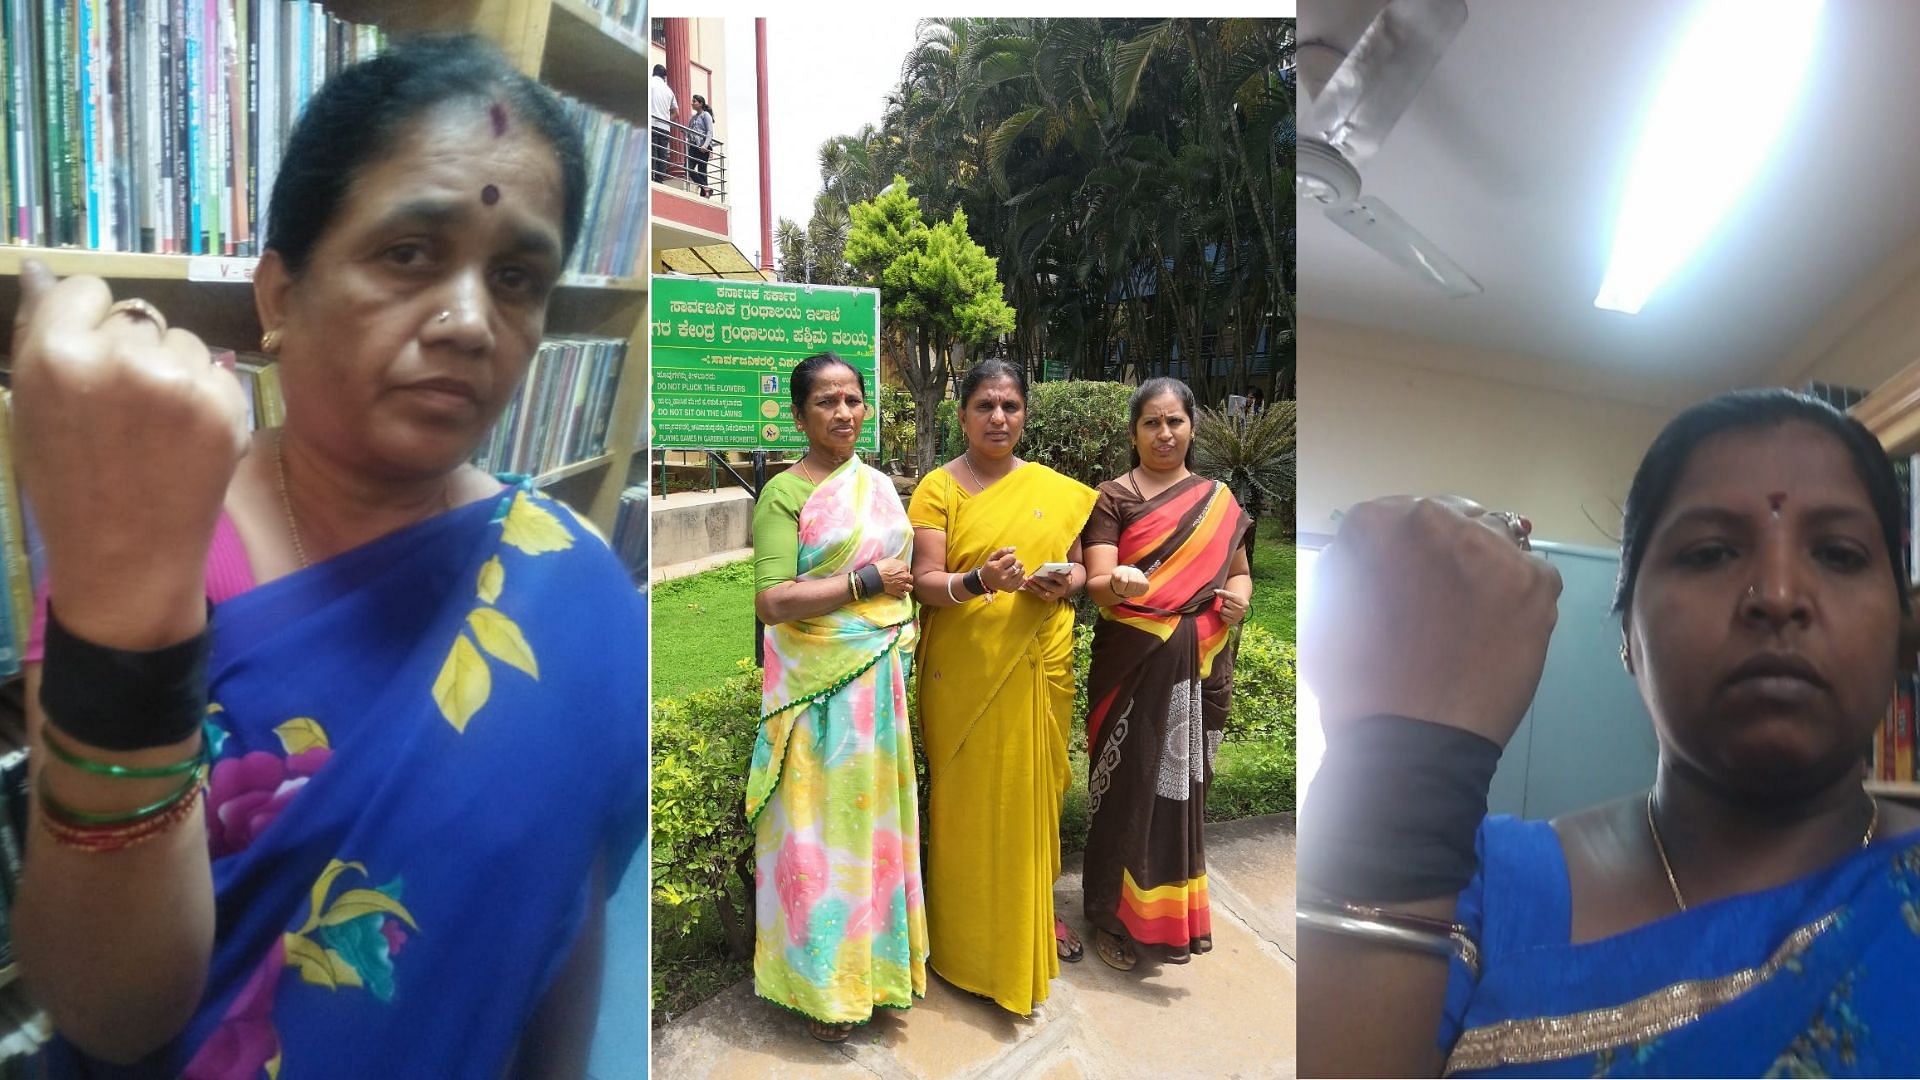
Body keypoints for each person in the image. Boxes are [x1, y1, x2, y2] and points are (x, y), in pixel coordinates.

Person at [12, 37, 646, 1077]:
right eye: (409, 254)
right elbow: (110, 1008)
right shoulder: (144, 546)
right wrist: (126, 630)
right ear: (278, 295)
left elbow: (551, 925)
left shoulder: (578, 591)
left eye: (519, 277)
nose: (469, 322)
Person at [1297, 389, 1920, 1077]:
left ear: (1901, 635)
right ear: (1627, 632)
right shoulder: (1466, 886)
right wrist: (1408, 769)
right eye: (1711, 553)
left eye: (1837, 554)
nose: (1777, 594)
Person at [907, 358, 1097, 1016]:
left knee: (1030, 802)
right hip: (963, 674)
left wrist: (1062, 583)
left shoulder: (1051, 488)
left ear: (1025, 414)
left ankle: (1032, 924)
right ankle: (962, 949)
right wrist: (979, 581)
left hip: (1037, 662)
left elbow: (1078, 572)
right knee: (963, 814)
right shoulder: (938, 488)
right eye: (985, 405)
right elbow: (927, 580)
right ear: (960, 415)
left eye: (1010, 406)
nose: (998, 417)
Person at [747, 353, 926, 1044]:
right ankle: (819, 990)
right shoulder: (784, 495)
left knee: (874, 838)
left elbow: (906, 576)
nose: (844, 412)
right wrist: (865, 585)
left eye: (853, 399)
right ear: (800, 415)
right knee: (817, 839)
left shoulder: (878, 486)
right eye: (826, 401)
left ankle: (876, 976)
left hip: (876, 698)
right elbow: (772, 603)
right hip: (815, 705)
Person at [1080, 377, 1252, 971]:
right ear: (1134, 432)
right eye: (1151, 422)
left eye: (1174, 420)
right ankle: (1108, 913)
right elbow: (1100, 584)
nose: (1164, 433)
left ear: (1192, 426)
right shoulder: (1113, 497)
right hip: (1132, 666)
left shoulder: (1218, 501)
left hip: (1197, 667)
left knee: (1177, 793)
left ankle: (1165, 915)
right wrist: (1118, 581)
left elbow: (1239, 573)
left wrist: (1239, 598)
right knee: (1127, 791)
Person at [650, 63, 677, 183]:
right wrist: (666, 120)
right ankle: (659, 179)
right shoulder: (669, 91)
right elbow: (676, 113)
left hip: (652, 123)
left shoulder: (650, 83)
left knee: (652, 152)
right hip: (665, 127)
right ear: (664, 77)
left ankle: (651, 177)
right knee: (662, 154)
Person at [687, 95, 715, 198]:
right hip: (694, 147)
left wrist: (706, 145)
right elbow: (689, 131)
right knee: (687, 168)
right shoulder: (693, 118)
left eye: (694, 101)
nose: (692, 103)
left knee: (702, 171)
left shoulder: (705, 115)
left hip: (703, 147)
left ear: (700, 103)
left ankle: (704, 194)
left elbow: (710, 132)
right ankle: (705, 187)